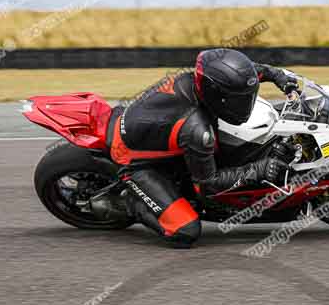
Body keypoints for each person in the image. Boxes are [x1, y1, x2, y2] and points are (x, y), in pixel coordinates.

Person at [105, 48, 299, 247]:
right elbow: (208, 184)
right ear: (216, 93)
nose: (244, 104)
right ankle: (133, 203)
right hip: (135, 161)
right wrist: (259, 169)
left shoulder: (204, 80)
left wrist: (279, 77)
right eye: (237, 100)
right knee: (186, 231)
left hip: (151, 130)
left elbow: (249, 75)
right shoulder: (197, 130)